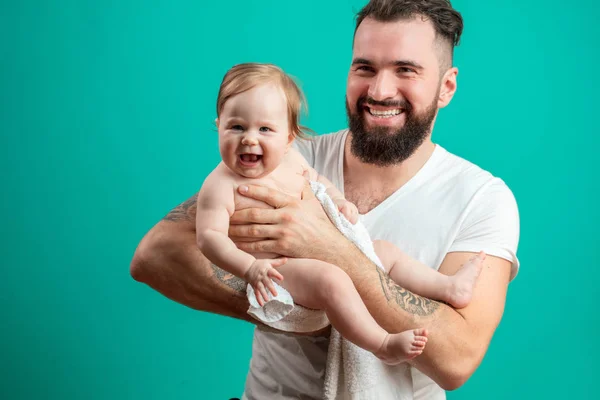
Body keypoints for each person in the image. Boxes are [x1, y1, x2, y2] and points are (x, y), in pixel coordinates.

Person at [130, 0, 520, 398]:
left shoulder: (481, 199)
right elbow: (157, 255)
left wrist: (334, 252)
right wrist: (302, 309)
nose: (380, 90)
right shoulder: (290, 155)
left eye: (406, 70)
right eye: (364, 67)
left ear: (447, 86)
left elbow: (457, 358)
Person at [196, 61, 486, 365]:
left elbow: (318, 181)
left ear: (288, 138)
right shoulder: (220, 186)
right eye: (236, 127)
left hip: (319, 250)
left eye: (265, 129)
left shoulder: (292, 161)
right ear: (219, 125)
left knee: (383, 253)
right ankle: (381, 343)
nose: (249, 139)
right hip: (278, 269)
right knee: (330, 279)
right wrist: (248, 268)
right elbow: (209, 238)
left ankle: (449, 287)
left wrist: (338, 200)